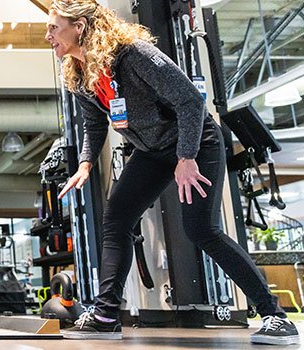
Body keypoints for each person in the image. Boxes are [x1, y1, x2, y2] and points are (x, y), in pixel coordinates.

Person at [46, 0, 297, 345]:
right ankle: (105, 316)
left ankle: (275, 316)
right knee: (116, 219)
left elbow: (191, 102)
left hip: (196, 144)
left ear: (80, 27)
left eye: (54, 27)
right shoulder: (78, 73)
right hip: (151, 151)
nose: (49, 36)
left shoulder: (134, 55)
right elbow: (93, 124)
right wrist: (87, 163)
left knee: (201, 230)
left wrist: (186, 156)